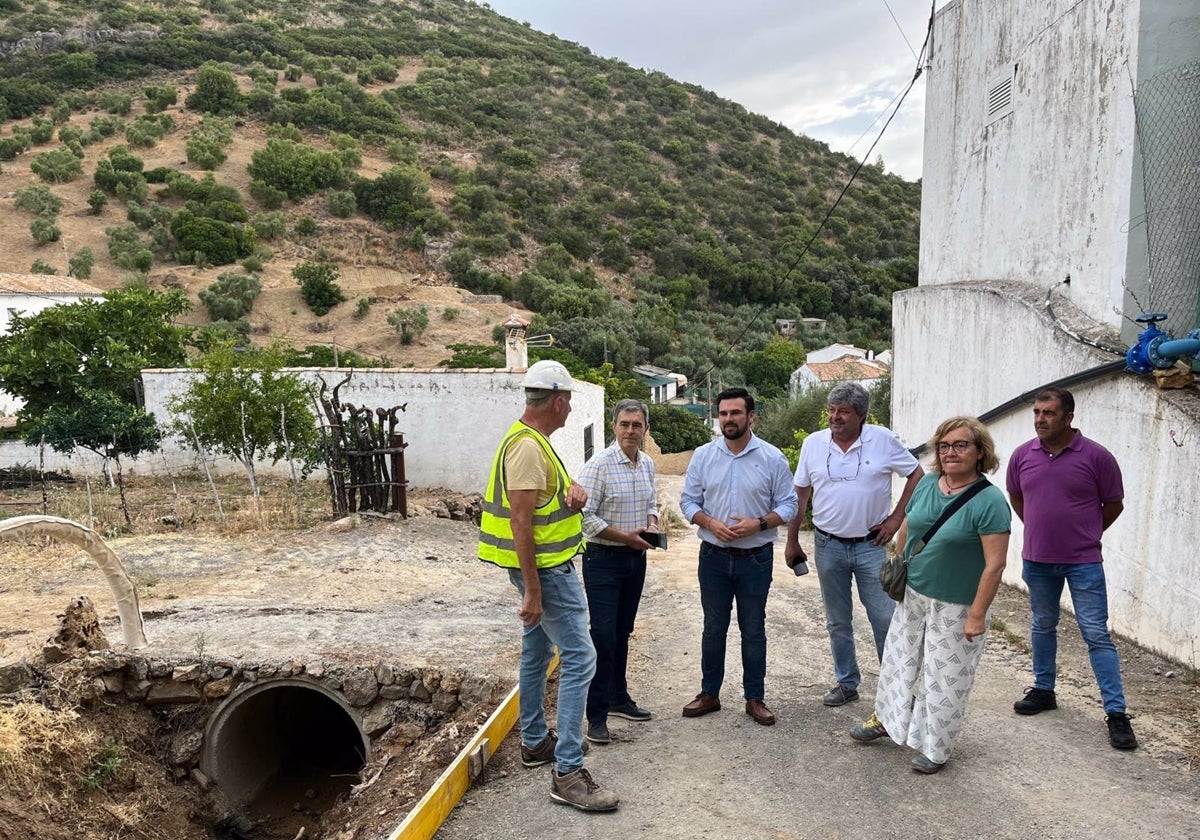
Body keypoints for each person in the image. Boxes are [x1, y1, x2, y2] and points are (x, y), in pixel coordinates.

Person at [477, 359, 618, 812]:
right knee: (580, 657)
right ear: (557, 401)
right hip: (548, 573)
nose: (570, 407)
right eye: (569, 400)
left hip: (548, 568)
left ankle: (536, 740)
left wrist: (572, 491)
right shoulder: (527, 448)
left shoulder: (534, 442)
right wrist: (535, 591)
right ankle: (568, 771)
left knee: (537, 651)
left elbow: (539, 501)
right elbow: (520, 521)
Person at [850, 416, 1011, 774]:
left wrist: (977, 614)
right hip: (914, 594)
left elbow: (995, 565)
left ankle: (935, 747)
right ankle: (888, 722)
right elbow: (909, 526)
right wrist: (899, 566)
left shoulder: (991, 502)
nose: (950, 452)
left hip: (956, 603)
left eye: (960, 445)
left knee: (946, 676)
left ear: (979, 451)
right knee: (898, 661)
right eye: (944, 446)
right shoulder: (927, 486)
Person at [1006, 387, 1136, 750]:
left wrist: (1085, 533)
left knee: (1095, 633)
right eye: (1036, 413)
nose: (1040, 420)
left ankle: (1117, 713)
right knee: (1043, 625)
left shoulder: (1096, 457)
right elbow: (1017, 497)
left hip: (1084, 562)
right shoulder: (1022, 456)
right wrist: (1038, 529)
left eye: (1048, 413)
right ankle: (1044, 690)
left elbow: (1114, 504)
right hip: (1037, 559)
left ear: (1068, 417)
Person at [785, 382, 923, 707]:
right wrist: (792, 540)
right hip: (827, 545)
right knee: (837, 620)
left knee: (884, 618)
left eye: (843, 412)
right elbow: (800, 494)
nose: (835, 417)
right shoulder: (813, 444)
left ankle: (898, 689)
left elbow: (917, 475)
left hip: (870, 546)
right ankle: (847, 682)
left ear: (861, 415)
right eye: (832, 410)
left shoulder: (884, 441)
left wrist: (895, 519)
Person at [680, 387, 798, 726]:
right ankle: (709, 694)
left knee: (753, 628)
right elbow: (688, 502)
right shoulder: (703, 455)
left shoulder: (772, 458)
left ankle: (754, 697)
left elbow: (789, 505)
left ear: (751, 416)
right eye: (723, 413)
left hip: (755, 559)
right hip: (713, 556)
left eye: (735, 413)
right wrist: (710, 523)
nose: (728, 419)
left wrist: (759, 524)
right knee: (713, 627)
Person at [577, 399, 658, 746]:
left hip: (634, 560)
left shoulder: (648, 465)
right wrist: (625, 537)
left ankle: (618, 698)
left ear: (644, 429)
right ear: (614, 426)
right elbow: (586, 519)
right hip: (603, 561)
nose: (630, 431)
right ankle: (596, 716)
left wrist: (652, 524)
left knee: (623, 632)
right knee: (603, 636)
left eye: (636, 425)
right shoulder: (599, 466)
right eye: (624, 424)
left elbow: (651, 503)